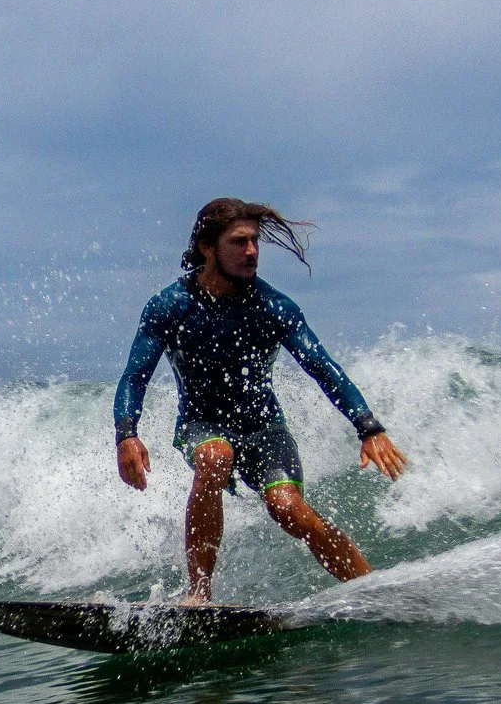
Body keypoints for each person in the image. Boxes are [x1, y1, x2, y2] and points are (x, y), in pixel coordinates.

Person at [115, 197, 408, 601]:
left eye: (255, 241)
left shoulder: (272, 306)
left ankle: (371, 588)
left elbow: (322, 366)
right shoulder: (170, 306)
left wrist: (369, 427)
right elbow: (135, 375)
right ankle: (198, 595)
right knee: (214, 458)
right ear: (207, 247)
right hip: (204, 424)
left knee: (288, 509)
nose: (252, 251)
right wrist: (127, 434)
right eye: (239, 242)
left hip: (264, 425)